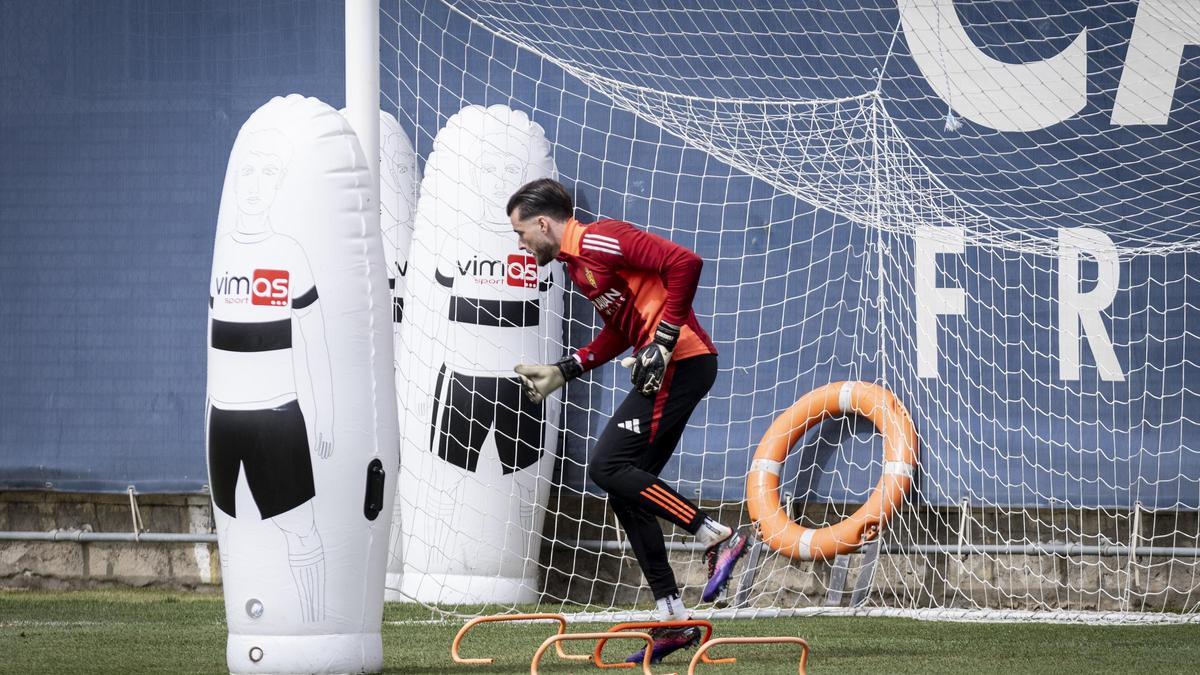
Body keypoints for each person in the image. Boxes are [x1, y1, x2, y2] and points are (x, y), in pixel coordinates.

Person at [508, 178, 750, 664]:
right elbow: (621, 331)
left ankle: (714, 534)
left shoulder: (599, 238)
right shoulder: (579, 269)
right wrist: (565, 369)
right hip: (666, 366)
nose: (520, 244)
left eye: (520, 232)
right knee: (625, 490)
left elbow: (685, 262)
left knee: (606, 466)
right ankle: (674, 619)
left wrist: (661, 340)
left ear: (542, 222)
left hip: (682, 362)